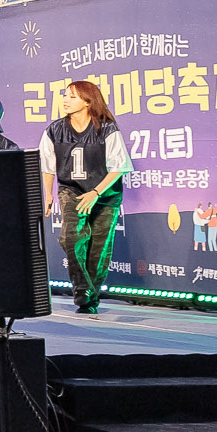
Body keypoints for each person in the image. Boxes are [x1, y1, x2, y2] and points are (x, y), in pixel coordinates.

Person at [41, 78, 130, 315]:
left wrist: (96, 192)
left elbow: (119, 167)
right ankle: (82, 288)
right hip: (71, 190)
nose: (65, 100)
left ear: (87, 101)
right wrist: (47, 194)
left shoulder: (107, 128)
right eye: (64, 95)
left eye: (72, 96)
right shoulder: (54, 129)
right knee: (71, 238)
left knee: (98, 248)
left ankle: (90, 299)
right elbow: (48, 166)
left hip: (105, 195)